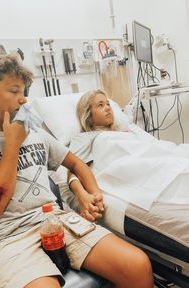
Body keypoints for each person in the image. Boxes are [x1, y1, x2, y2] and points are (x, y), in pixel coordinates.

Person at [0, 55, 153, 288]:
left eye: (23, 91)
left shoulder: (35, 134)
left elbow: (77, 164)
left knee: (137, 269)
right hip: (7, 238)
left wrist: (91, 195)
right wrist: (12, 143)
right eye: (14, 91)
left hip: (53, 220)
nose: (23, 99)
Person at [66, 89, 189, 229]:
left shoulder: (126, 131)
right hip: (135, 167)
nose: (107, 108)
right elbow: (73, 169)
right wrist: (82, 195)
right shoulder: (84, 138)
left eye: (108, 104)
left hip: (152, 156)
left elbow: (151, 149)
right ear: (88, 114)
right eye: (100, 105)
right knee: (173, 170)